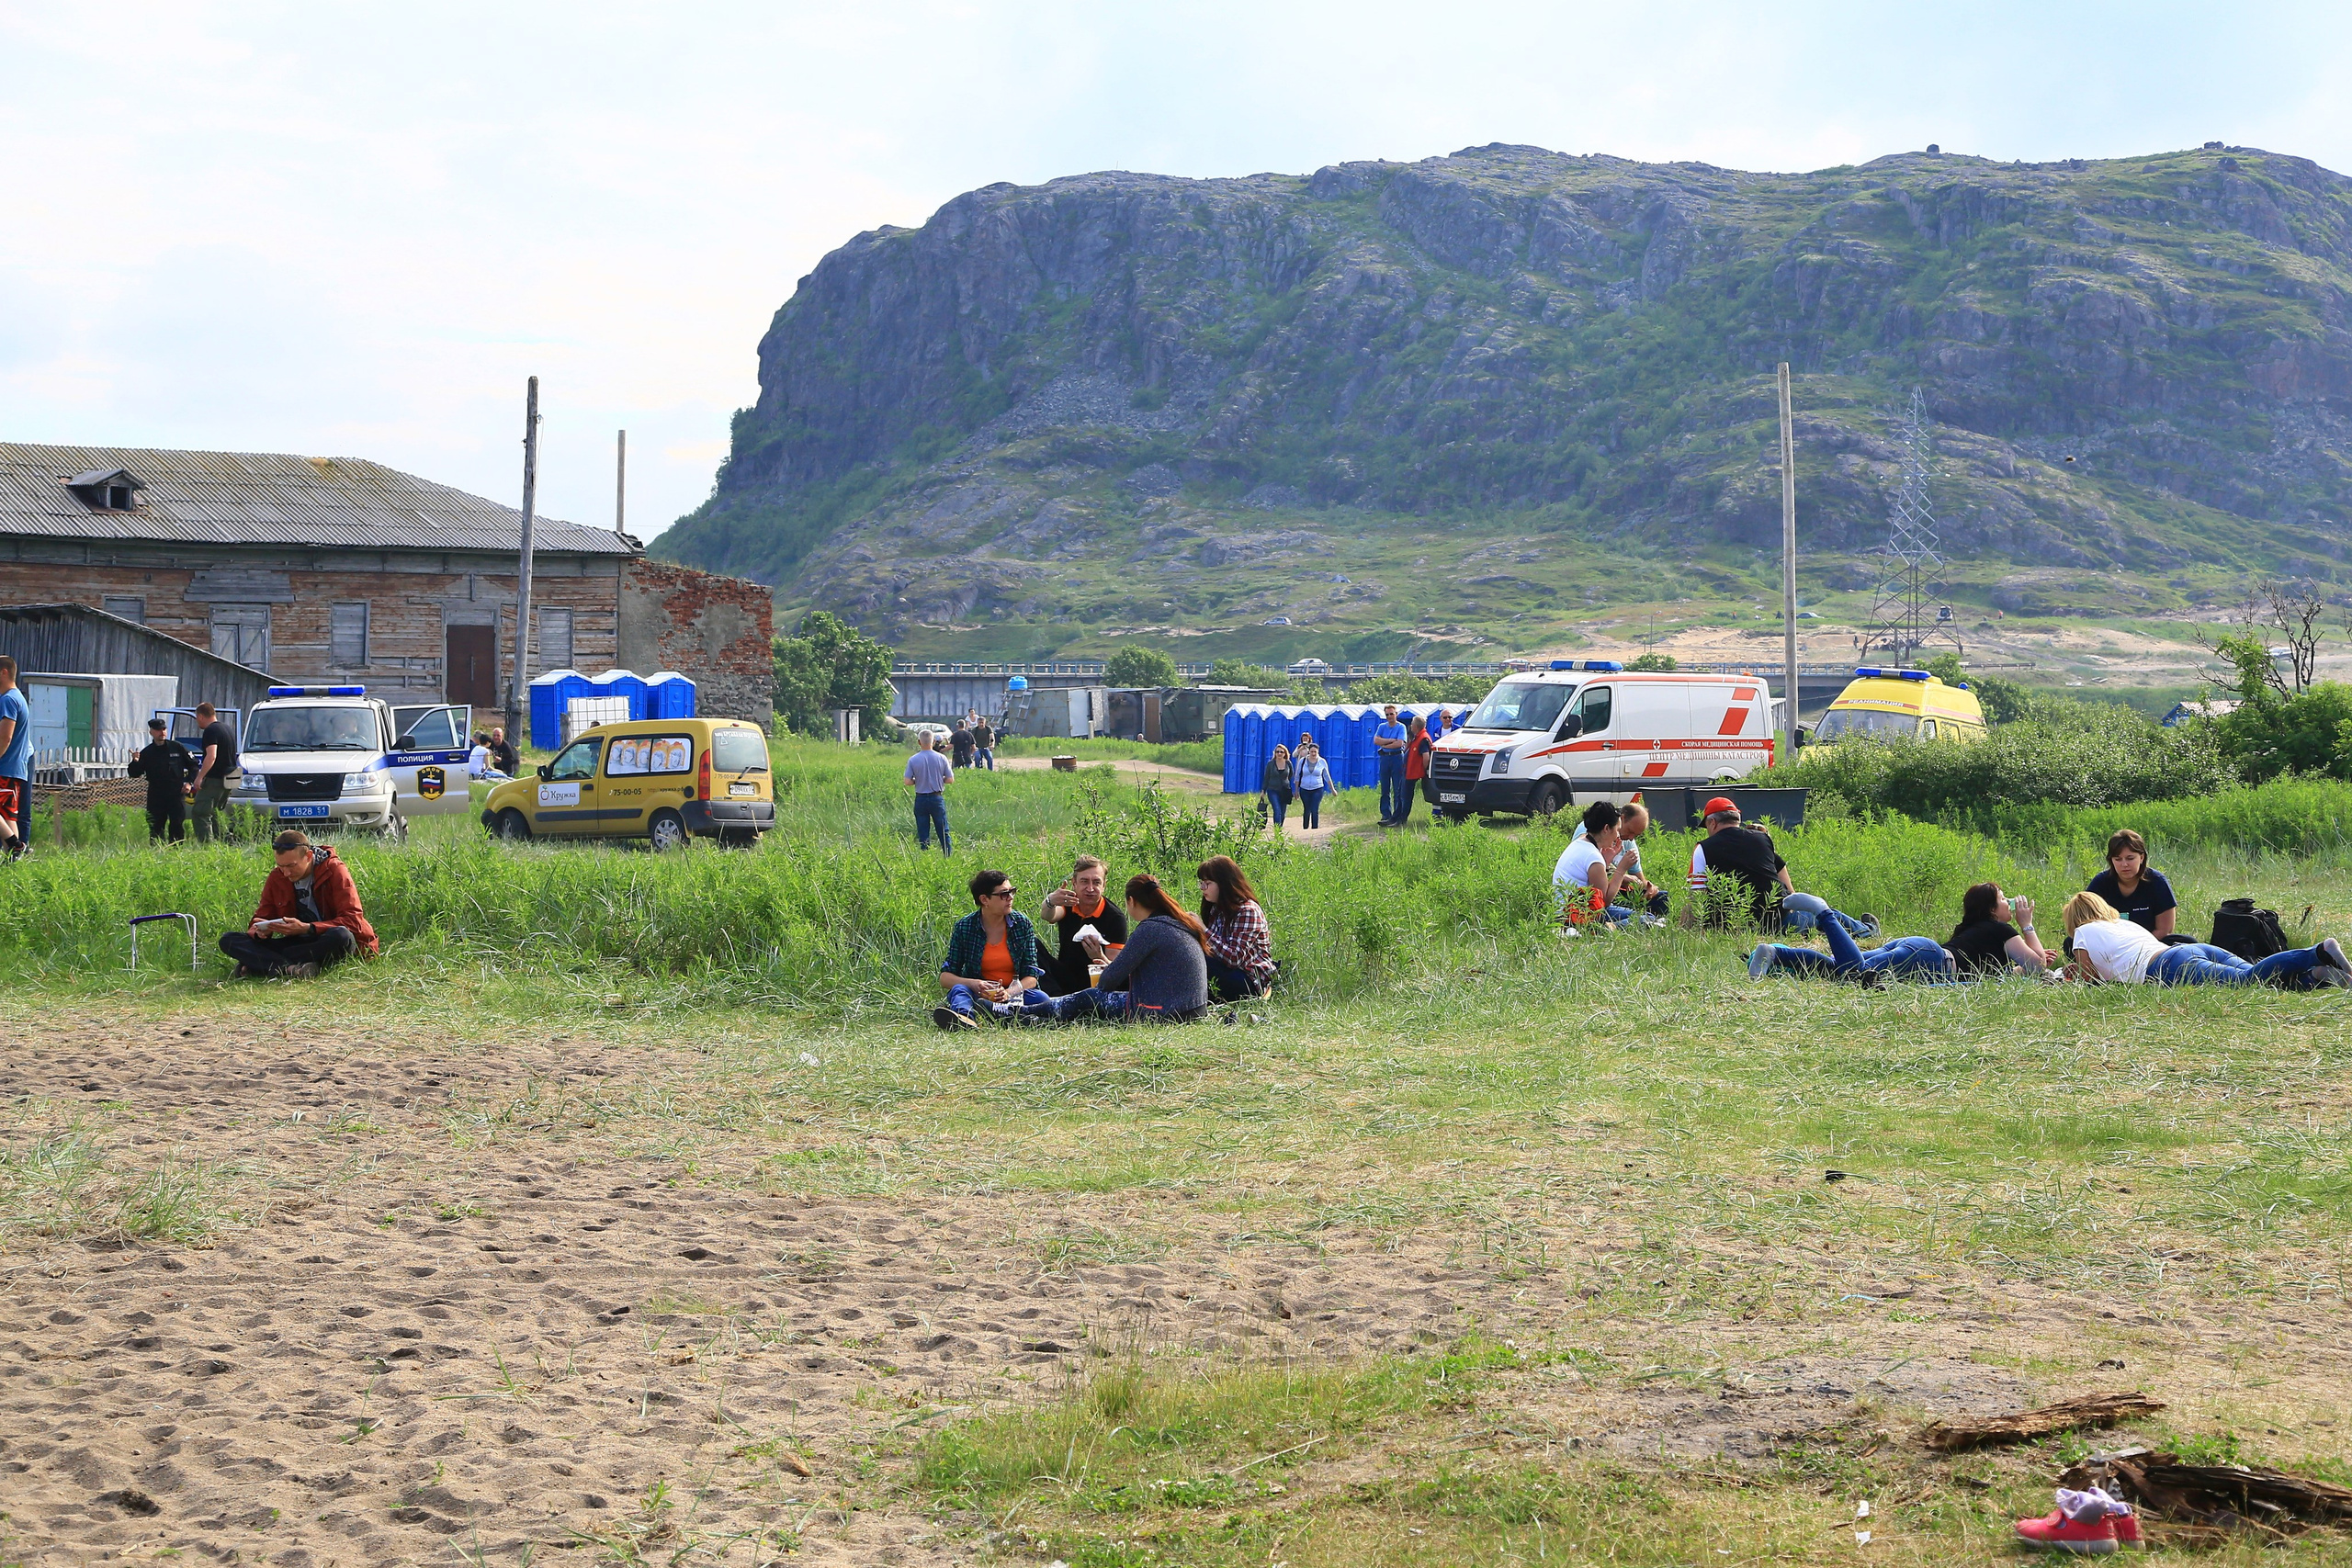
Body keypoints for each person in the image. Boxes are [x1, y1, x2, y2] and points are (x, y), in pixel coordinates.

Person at [1011, 874, 1209, 1023]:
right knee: (1092, 996)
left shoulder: (1150, 929)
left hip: (1165, 1010)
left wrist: (1105, 967)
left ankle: (1020, 1013)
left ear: (1131, 901)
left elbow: (1107, 981)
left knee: (1089, 997)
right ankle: (1031, 1012)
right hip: (1194, 1009)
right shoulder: (1177, 922)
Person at [2063, 892, 2349, 988]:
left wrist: (2074, 975)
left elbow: (2090, 980)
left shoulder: (2084, 932)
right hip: (2187, 950)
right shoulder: (2124, 924)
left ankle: (2318, 952)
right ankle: (2316, 976)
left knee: (2247, 981)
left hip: (2167, 967)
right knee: (2259, 980)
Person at [1687, 796, 1872, 937]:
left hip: (1731, 927)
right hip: (1779, 921)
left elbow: (1696, 896)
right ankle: (1866, 931)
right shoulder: (1761, 839)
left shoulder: (1703, 848)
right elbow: (1780, 876)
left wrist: (1686, 929)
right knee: (1824, 915)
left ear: (1712, 822)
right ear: (1738, 819)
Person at [219, 829, 378, 978]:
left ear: (308, 856)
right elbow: (261, 917)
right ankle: (292, 968)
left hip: (327, 940)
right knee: (229, 940)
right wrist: (259, 931)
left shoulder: (334, 870)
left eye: (291, 866)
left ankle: (261, 964)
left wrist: (308, 928)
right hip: (298, 943)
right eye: (281, 866)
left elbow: (353, 921)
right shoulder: (277, 877)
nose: (286, 873)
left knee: (341, 936)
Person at [935, 867, 1046, 1029]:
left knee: (1042, 998)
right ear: (984, 900)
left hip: (1013, 994)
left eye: (1012, 892)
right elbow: (945, 977)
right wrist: (974, 984)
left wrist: (1008, 992)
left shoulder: (1022, 924)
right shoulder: (965, 927)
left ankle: (1002, 1013)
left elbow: (1032, 975)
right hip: (979, 995)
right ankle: (966, 1019)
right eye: (1004, 894)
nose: (1010, 898)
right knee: (959, 991)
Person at [1747, 915, 1955, 982]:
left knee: (1840, 969)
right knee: (1856, 971)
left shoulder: (1971, 930)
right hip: (1932, 958)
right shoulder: (1979, 935)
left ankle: (1776, 954)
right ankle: (1824, 913)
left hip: (1924, 949)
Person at [1039, 854, 1128, 996]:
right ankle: (1055, 998)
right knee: (1033, 944)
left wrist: (1098, 956)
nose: (1090, 888)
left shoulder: (1114, 917)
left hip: (1095, 980)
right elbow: (1048, 915)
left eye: (1096, 882)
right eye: (1084, 881)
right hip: (1064, 974)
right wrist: (1050, 901)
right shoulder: (1069, 903)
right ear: (1074, 883)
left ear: (1104, 885)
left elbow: (1115, 969)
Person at [1572, 799, 1668, 920]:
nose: (1631, 838)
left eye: (1636, 835)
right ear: (1620, 820)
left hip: (1605, 895)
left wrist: (1648, 887)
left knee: (1662, 898)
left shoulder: (1625, 840)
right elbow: (1603, 899)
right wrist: (1621, 873)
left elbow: (1638, 877)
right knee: (1645, 919)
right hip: (1590, 902)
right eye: (1630, 831)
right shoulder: (1592, 836)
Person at [1198, 854, 1276, 1000]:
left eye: (1208, 883)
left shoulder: (1248, 911)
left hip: (1250, 981)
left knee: (1198, 961)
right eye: (1201, 883)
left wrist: (1203, 930)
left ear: (1224, 884)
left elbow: (1234, 958)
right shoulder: (1217, 909)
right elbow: (1214, 950)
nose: (1203, 888)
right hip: (1229, 972)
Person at [1944, 883, 2058, 976]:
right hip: (1941, 961)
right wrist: (2027, 924)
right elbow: (2038, 966)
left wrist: (2026, 963)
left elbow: (1999, 974)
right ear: (1992, 909)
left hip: (1941, 962)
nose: (2009, 902)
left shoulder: (1975, 931)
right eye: (2003, 898)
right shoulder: (2000, 929)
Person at [1555, 801, 1639, 927]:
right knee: (1646, 918)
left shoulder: (1580, 843)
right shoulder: (1593, 857)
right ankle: (1608, 928)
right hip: (1578, 915)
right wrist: (1621, 869)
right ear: (1606, 829)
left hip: (1561, 912)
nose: (1618, 836)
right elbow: (1605, 901)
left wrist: (1607, 861)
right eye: (1617, 830)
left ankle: (1608, 926)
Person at [2086, 829, 2177, 939]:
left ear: (2141, 857)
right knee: (2071, 941)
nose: (2124, 864)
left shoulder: (2157, 882)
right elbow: (2084, 922)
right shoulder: (2100, 883)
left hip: (2150, 943)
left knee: (2186, 941)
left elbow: (2164, 930)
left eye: (2130, 858)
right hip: (2109, 943)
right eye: (2118, 859)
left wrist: (2139, 946)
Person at [129, 716, 195, 842]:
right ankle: (157, 849)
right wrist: (135, 761)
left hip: (176, 792)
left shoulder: (177, 747)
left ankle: (176, 849)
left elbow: (193, 766)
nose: (162, 732)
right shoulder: (147, 752)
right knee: (155, 825)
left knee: (177, 823)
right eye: (158, 730)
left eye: (164, 729)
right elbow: (135, 773)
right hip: (156, 794)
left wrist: (189, 783)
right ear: (151, 732)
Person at [190, 702, 238, 842]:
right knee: (216, 813)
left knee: (201, 813)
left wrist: (200, 777)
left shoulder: (211, 730)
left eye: (197, 718)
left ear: (201, 716)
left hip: (214, 779)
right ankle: (226, 843)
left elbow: (212, 756)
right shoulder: (227, 729)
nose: (197, 721)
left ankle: (206, 846)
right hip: (229, 779)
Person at [904, 730, 954, 853]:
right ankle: (947, 855)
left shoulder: (913, 759)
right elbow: (950, 779)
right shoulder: (942, 758)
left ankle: (925, 855)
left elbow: (907, 781)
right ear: (934, 741)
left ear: (919, 742)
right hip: (936, 798)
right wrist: (940, 779)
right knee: (943, 830)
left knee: (923, 831)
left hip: (921, 798)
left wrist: (918, 780)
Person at [0, 655, 28, 859]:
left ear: (4, 672)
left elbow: (5, 737)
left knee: (8, 816)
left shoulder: (8, 700)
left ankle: (15, 845)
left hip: (5, 766)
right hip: (15, 768)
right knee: (9, 816)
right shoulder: (17, 697)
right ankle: (14, 861)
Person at [1374, 704, 1408, 824]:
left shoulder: (1401, 727)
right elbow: (1376, 740)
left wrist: (1384, 744)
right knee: (1385, 788)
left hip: (1397, 758)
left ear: (1396, 714)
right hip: (1384, 758)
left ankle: (1397, 815)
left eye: (1391, 714)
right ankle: (1385, 814)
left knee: (1397, 788)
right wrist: (1390, 741)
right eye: (1387, 714)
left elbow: (1400, 743)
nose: (1389, 716)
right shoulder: (1382, 727)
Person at [1395, 714, 1430, 827]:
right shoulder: (1417, 737)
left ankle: (1402, 820)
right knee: (1400, 794)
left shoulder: (1423, 739)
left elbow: (1426, 757)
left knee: (1406, 797)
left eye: (1412, 724)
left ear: (1416, 726)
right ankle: (1396, 818)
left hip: (1413, 773)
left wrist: (1422, 770)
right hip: (1407, 771)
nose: (1410, 726)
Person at [1294, 740, 1330, 829]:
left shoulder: (1322, 761)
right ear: (1309, 751)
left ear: (1318, 752)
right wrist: (1296, 791)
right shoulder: (1302, 761)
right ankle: (1305, 828)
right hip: (1304, 788)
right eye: (1312, 752)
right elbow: (1297, 776)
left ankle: (1315, 829)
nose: (1313, 754)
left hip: (1317, 788)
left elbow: (1326, 776)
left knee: (1314, 809)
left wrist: (1332, 789)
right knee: (1307, 809)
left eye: (1315, 752)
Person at [1261, 742, 1294, 829]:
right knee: (1277, 810)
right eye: (1277, 752)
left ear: (1285, 753)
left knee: (1283, 812)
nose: (1279, 754)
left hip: (1285, 790)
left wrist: (1286, 783)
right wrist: (1263, 790)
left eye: (1281, 752)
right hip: (1273, 790)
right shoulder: (1270, 764)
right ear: (1275, 753)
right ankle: (1277, 830)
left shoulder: (1288, 763)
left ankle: (1279, 828)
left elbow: (1291, 775)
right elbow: (1266, 777)